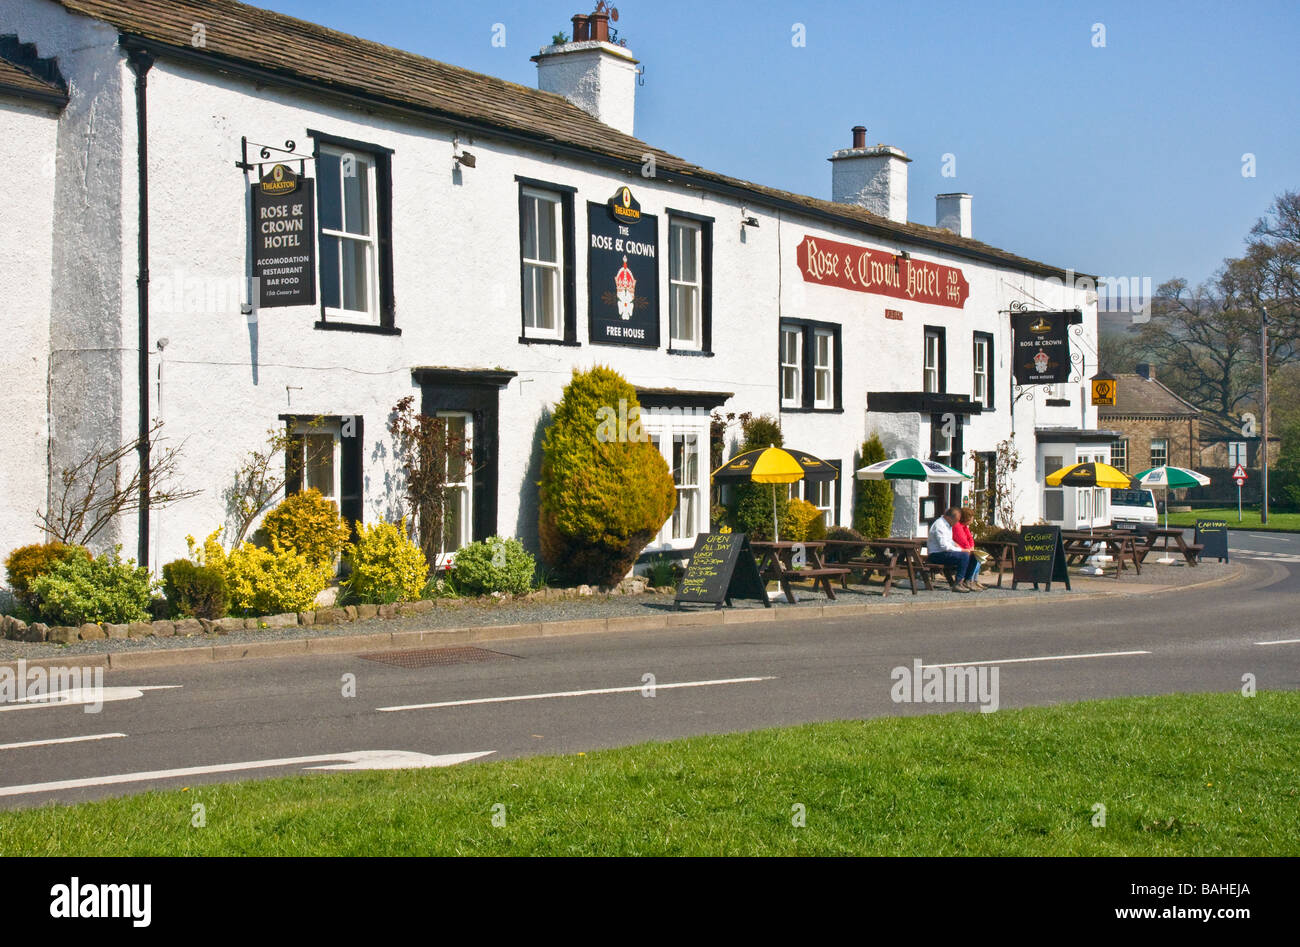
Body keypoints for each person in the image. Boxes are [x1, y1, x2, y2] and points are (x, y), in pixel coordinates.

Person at [926, 507, 980, 592]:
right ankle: (958, 582)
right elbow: (944, 546)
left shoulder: (948, 525)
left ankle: (967, 581)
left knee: (974, 556)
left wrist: (959, 547)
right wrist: (962, 550)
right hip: (936, 555)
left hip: (945, 553)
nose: (956, 523)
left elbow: (950, 541)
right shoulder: (939, 525)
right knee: (964, 555)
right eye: (956, 520)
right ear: (949, 517)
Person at [952, 508, 983, 591]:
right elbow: (961, 539)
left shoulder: (965, 527)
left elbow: (970, 538)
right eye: (972, 517)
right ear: (967, 518)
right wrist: (968, 548)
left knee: (975, 556)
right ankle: (960, 581)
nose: (973, 519)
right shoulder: (957, 526)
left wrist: (971, 547)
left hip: (964, 549)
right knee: (969, 556)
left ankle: (969, 580)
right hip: (957, 550)